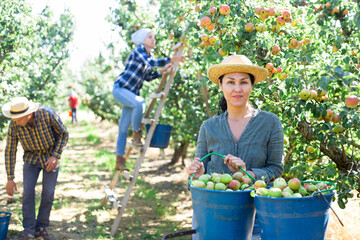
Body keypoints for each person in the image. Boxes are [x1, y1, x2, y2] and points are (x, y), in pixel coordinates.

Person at [187, 55, 284, 239]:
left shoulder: (270, 123)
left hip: (255, 216)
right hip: (213, 214)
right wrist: (197, 175)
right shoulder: (209, 127)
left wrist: (250, 174)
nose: (237, 89)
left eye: (244, 82)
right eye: (231, 82)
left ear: (252, 85)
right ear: (221, 85)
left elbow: (276, 168)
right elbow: (197, 176)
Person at [112, 28, 184, 171]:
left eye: (153, 37)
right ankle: (137, 134)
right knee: (139, 103)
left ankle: (119, 162)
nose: (153, 39)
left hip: (130, 93)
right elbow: (151, 63)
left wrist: (161, 72)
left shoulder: (148, 55)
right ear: (143, 40)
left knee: (123, 129)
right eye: (150, 37)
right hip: (121, 88)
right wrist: (172, 59)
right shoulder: (138, 51)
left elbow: (148, 76)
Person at [2, 97, 69, 240]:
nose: (15, 122)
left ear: (29, 114)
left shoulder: (47, 114)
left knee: (48, 192)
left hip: (50, 157)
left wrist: (55, 156)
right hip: (31, 159)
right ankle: (28, 230)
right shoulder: (15, 124)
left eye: (19, 119)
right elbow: (10, 150)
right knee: (27, 193)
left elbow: (64, 134)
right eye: (14, 118)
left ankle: (41, 228)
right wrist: (10, 178)